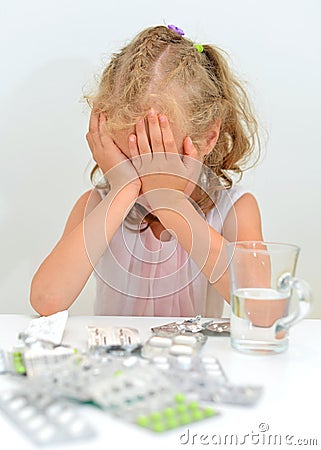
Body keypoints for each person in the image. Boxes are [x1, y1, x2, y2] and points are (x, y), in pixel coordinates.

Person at [30, 25, 263, 317]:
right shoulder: (99, 205)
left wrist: (171, 205)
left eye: (155, 155)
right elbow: (47, 299)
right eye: (125, 159)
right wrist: (122, 190)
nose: (142, 176)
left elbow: (258, 307)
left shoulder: (234, 209)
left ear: (208, 137)